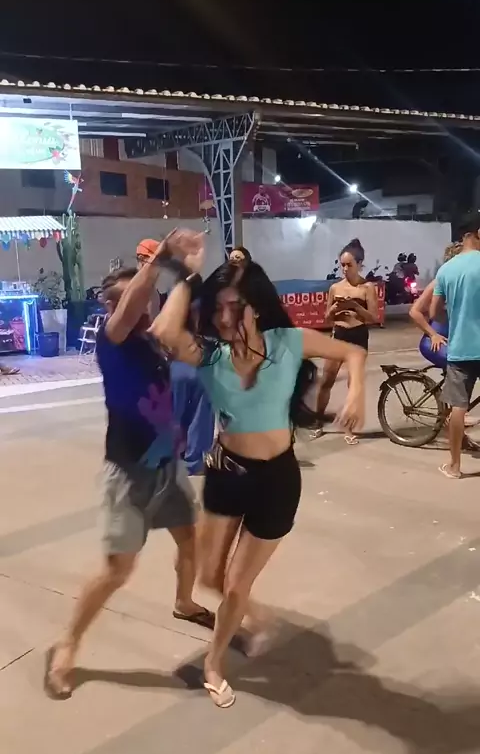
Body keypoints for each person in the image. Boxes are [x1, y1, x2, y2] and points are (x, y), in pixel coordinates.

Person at [150, 238, 366, 708]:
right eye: (217, 309)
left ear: (257, 306)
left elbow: (353, 353)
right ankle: (251, 615)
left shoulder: (288, 342)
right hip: (227, 473)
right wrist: (186, 276)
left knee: (235, 584)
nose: (224, 318)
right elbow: (164, 330)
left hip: (278, 482)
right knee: (208, 575)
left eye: (235, 307)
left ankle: (214, 663)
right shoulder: (210, 356)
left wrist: (355, 394)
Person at [44, 234, 214, 699]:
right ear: (113, 307)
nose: (146, 304)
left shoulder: (152, 338)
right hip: (128, 473)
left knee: (190, 539)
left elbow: (173, 306)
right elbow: (134, 301)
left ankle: (184, 602)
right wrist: (159, 259)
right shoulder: (112, 339)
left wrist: (187, 272)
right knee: (117, 570)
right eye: (136, 300)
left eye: (149, 298)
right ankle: (67, 645)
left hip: (167, 465)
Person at [137, 237, 215, 475]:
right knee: (194, 410)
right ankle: (193, 459)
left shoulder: (163, 294)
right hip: (183, 358)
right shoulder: (164, 294)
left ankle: (171, 457)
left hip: (171, 360)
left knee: (174, 411)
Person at [431, 213, 480, 479]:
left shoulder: (446, 270)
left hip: (460, 348)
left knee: (458, 407)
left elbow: (434, 312)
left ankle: (455, 466)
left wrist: (455, 319)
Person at [315, 238, 378, 444]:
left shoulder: (367, 288)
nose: (344, 269)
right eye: (342, 264)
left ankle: (348, 429)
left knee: (353, 385)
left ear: (359, 264)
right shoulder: (335, 288)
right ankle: (317, 421)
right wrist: (335, 309)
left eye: (349, 265)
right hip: (339, 334)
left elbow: (374, 317)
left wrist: (356, 307)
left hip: (358, 335)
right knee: (327, 380)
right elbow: (327, 318)